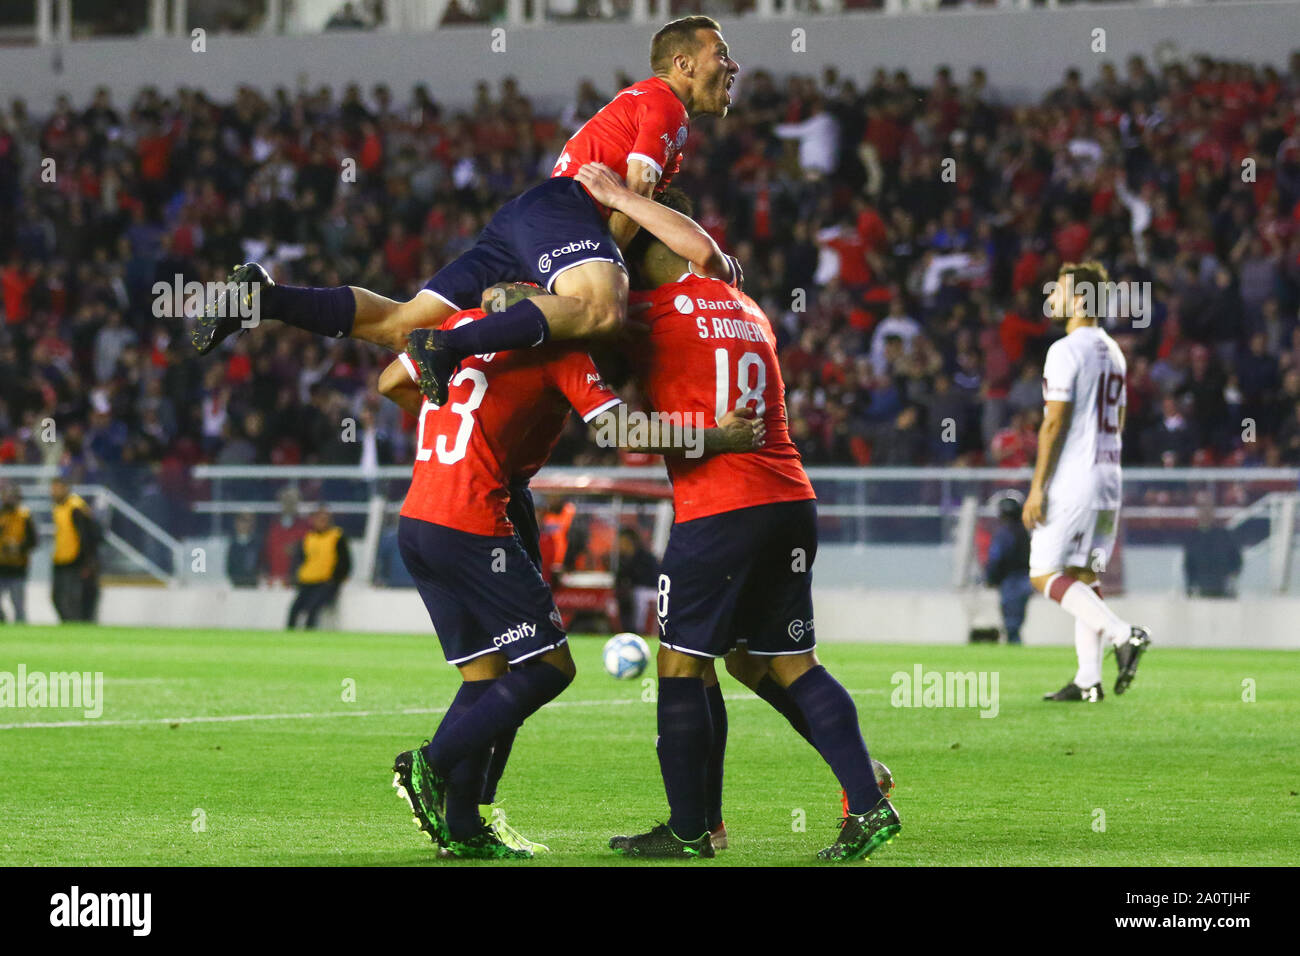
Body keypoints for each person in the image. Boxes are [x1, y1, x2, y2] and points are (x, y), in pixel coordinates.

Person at [578, 168, 899, 861]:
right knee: (775, 662)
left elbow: (608, 388)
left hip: (721, 508)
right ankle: (865, 795)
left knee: (679, 666)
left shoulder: (649, 314)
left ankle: (693, 829)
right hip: (788, 499)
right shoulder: (745, 304)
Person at [379, 298, 761, 860]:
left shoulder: (461, 326)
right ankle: (429, 765)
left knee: (485, 678)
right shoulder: (558, 346)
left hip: (418, 518)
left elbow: (391, 380)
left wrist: (463, 433)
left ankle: (460, 829)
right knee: (549, 667)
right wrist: (717, 437)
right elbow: (620, 430)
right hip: (472, 522)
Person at [195, 16, 740, 408]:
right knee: (600, 311)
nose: (731, 64)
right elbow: (636, 193)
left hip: (531, 223)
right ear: (683, 62)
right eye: (721, 53)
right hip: (567, 213)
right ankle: (450, 345)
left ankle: (263, 298)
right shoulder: (666, 103)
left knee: (398, 325)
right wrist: (609, 269)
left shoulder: (643, 103)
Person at [1022, 261, 1151, 702]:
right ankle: (1087, 680)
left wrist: (1038, 486)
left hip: (1075, 477)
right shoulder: (1113, 351)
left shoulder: (1065, 349)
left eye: (1057, 290)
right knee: (1082, 573)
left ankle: (1122, 634)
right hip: (1109, 476)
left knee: (1044, 573)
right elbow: (1120, 418)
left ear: (1079, 299)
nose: (1051, 298)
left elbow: (1054, 423)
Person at [286, 507, 351, 629]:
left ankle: (309, 635)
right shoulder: (308, 538)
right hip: (307, 582)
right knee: (294, 609)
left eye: (324, 519)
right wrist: (295, 577)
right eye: (319, 519)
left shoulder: (337, 537)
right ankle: (289, 635)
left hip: (325, 582)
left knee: (312, 609)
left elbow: (345, 563)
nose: (321, 522)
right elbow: (300, 559)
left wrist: (335, 581)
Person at [50, 477, 100, 623]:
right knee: (57, 597)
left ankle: (75, 626)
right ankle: (68, 624)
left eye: (56, 489)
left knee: (72, 598)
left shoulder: (76, 508)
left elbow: (87, 536)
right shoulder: (59, 508)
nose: (53, 492)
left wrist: (87, 562)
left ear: (66, 488)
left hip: (75, 560)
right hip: (61, 559)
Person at [985, 493, 1032, 644]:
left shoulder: (1004, 534)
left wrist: (991, 577)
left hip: (1011, 581)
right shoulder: (1025, 532)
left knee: (1011, 623)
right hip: (1025, 579)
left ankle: (1014, 647)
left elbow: (996, 557)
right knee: (1017, 620)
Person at [1183, 497, 1242, 597]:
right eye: (1202, 508)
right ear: (1198, 512)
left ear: (1213, 511)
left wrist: (1231, 581)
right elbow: (1189, 566)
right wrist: (1190, 587)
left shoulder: (1225, 536)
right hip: (1200, 592)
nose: (1205, 512)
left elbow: (1237, 561)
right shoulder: (1192, 538)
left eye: (1208, 508)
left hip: (1223, 591)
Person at [0, 483, 37, 623]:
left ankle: (21, 630)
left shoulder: (24, 515)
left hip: (17, 566)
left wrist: (18, 548)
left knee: (18, 604)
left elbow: (34, 541)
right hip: (1, 564)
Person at [614, 527, 659, 634]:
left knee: (638, 595)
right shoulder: (624, 558)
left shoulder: (644, 556)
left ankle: (640, 630)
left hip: (650, 591)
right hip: (639, 591)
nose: (620, 545)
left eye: (622, 541)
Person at [226, 511, 262, 588]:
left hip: (254, 588)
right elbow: (229, 569)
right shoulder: (229, 544)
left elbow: (261, 567)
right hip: (233, 587)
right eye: (243, 521)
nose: (245, 525)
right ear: (236, 523)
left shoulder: (258, 544)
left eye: (248, 521)